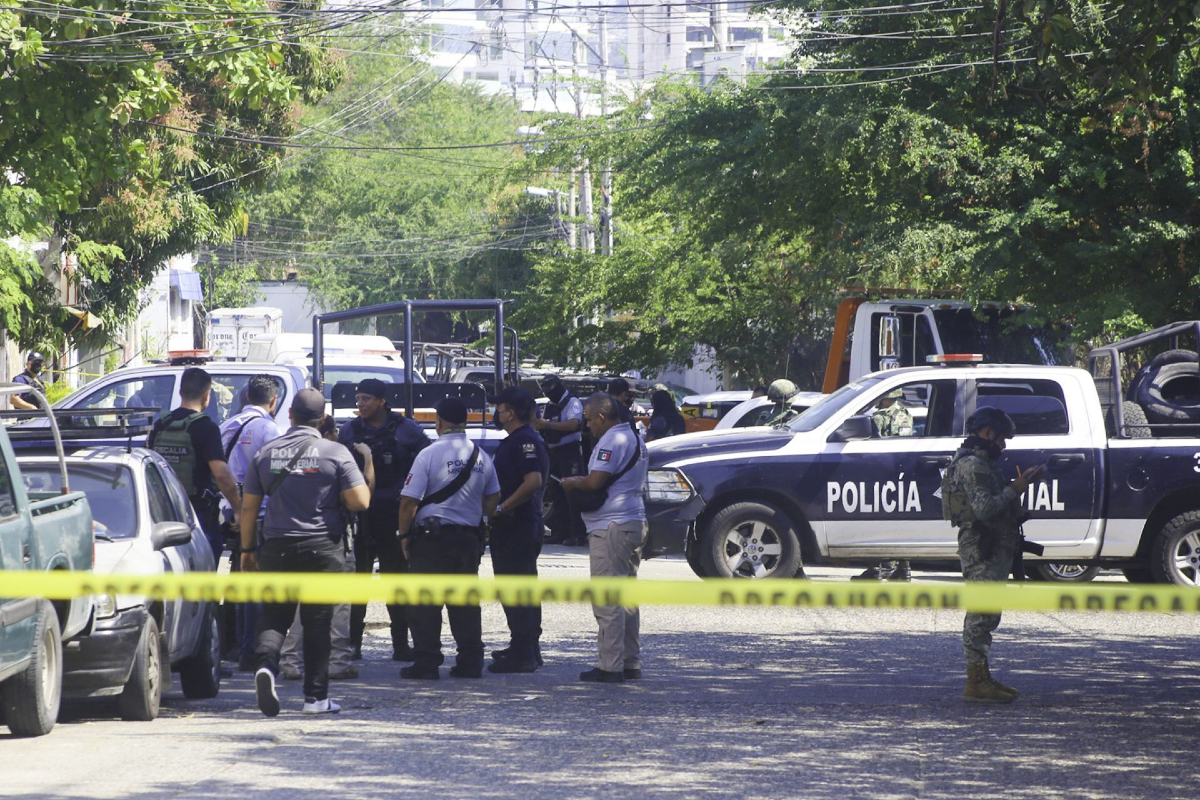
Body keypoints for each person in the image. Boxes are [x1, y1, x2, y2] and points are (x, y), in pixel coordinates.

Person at [241, 388, 370, 717]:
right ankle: (316, 699)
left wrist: (246, 550)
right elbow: (360, 502)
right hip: (322, 547)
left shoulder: (265, 453)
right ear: (323, 418)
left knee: (275, 615)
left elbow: (249, 508)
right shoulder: (336, 452)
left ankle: (267, 667)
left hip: (276, 546)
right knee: (317, 622)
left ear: (290, 415)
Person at [941, 406, 1043, 704]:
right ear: (987, 433)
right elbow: (985, 509)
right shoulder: (973, 465)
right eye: (1002, 439)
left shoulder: (979, 462)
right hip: (982, 549)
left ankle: (981, 677)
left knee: (988, 612)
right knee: (981, 614)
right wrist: (1016, 488)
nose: (1003, 446)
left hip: (991, 547)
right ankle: (976, 681)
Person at [397, 397, 500, 680]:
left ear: (438, 422)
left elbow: (408, 502)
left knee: (424, 603)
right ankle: (470, 662)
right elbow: (493, 497)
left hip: (432, 539)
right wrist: (479, 518)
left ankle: (426, 663)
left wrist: (404, 535)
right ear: (465, 422)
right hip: (468, 539)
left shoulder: (429, 454)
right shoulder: (481, 455)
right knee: (464, 603)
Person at [339, 378, 430, 662]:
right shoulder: (350, 431)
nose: (360, 404)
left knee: (397, 583)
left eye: (366, 399)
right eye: (358, 399)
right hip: (360, 518)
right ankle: (352, 644)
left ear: (382, 401)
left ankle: (401, 645)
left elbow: (428, 461)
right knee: (358, 584)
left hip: (395, 516)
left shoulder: (407, 429)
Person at [561, 392, 650, 684]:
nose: (587, 426)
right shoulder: (636, 438)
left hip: (611, 524)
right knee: (626, 597)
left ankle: (610, 666)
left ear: (601, 416)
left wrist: (570, 482)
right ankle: (629, 661)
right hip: (633, 520)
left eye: (588, 419)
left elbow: (595, 481)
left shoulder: (612, 441)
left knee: (607, 597)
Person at [279, 415, 373, 682]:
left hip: (294, 537)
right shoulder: (337, 457)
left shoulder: (283, 454)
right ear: (329, 433)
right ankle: (337, 663)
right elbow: (362, 497)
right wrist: (367, 459)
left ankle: (292, 663)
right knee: (339, 604)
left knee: (299, 604)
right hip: (333, 540)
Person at [218, 375, 283, 673]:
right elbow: (278, 474)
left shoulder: (226, 426)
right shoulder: (270, 429)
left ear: (245, 396)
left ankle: (240, 648)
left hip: (229, 513)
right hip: (259, 516)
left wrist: (233, 508)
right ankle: (254, 652)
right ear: (273, 401)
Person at [486, 387, 550, 673]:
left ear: (510, 412)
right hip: (516, 524)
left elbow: (533, 481)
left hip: (517, 525)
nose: (496, 413)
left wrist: (503, 508)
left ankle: (524, 653)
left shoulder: (524, 440)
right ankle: (525, 647)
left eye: (499, 409)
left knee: (515, 588)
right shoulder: (518, 439)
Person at [148, 368, 241, 560]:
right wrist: (238, 509)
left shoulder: (161, 424)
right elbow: (221, 475)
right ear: (207, 396)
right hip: (198, 515)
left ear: (181, 392)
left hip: (164, 510)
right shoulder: (206, 428)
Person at [854, 390, 917, 582]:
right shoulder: (906, 415)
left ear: (886, 398)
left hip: (881, 474)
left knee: (875, 521)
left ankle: (875, 569)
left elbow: (871, 446)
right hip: (903, 473)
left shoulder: (879, 418)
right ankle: (904, 569)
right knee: (901, 522)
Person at [534, 373, 585, 546]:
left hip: (569, 453)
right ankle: (559, 532)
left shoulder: (572, 403)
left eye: (550, 390)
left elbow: (573, 424)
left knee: (571, 494)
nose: (548, 394)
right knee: (556, 494)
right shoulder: (550, 405)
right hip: (553, 452)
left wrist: (547, 424)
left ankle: (576, 534)